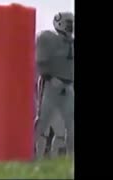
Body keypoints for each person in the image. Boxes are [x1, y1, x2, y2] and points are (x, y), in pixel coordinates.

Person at [35, 12, 74, 158]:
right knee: (42, 123)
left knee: (68, 126)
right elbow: (40, 62)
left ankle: (63, 158)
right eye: (69, 23)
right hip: (51, 83)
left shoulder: (70, 41)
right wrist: (50, 77)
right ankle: (34, 156)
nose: (71, 26)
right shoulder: (48, 37)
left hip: (67, 86)